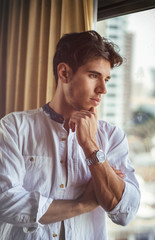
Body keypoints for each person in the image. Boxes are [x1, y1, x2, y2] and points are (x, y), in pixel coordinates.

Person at [0, 30, 140, 240]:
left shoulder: (112, 137)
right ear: (64, 73)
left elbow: (125, 212)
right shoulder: (14, 128)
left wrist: (91, 147)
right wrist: (82, 205)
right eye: (94, 76)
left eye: (107, 79)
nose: (103, 89)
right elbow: (5, 202)